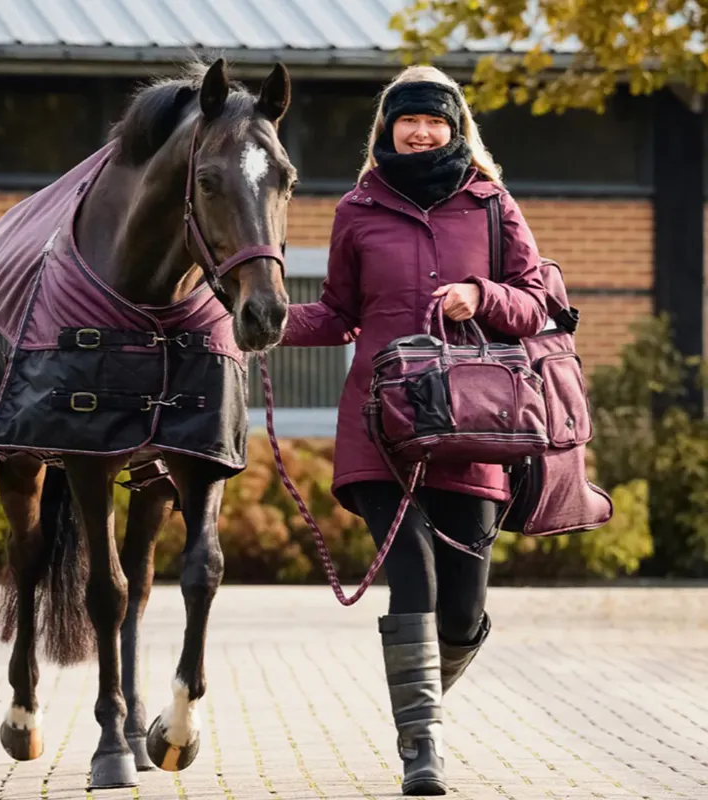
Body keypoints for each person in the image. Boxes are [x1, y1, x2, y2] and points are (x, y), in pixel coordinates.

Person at [281, 65, 547, 796]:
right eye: (409, 120)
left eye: (435, 120)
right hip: (381, 430)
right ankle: (421, 749)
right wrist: (264, 323)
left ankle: (418, 699)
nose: (422, 131)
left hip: (474, 426)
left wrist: (479, 294)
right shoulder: (358, 209)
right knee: (416, 583)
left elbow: (536, 303)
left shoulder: (491, 204)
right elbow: (336, 313)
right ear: (387, 130)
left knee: (463, 611)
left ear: (456, 127)